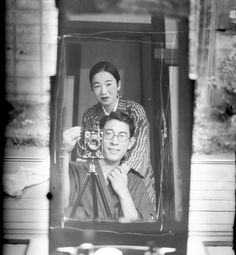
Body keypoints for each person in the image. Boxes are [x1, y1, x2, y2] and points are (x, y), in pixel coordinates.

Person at [64, 61, 156, 207]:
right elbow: (88, 153)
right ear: (92, 89)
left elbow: (141, 148)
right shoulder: (90, 115)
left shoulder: (135, 110)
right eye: (97, 86)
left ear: (118, 85)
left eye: (108, 84)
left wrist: (119, 175)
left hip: (132, 177)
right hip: (103, 178)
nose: (103, 91)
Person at [62, 112, 156, 221]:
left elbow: (145, 225)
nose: (114, 142)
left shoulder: (135, 182)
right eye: (108, 134)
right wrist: (65, 153)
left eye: (122, 136)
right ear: (99, 136)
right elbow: (60, 208)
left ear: (130, 143)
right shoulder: (76, 170)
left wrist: (124, 192)